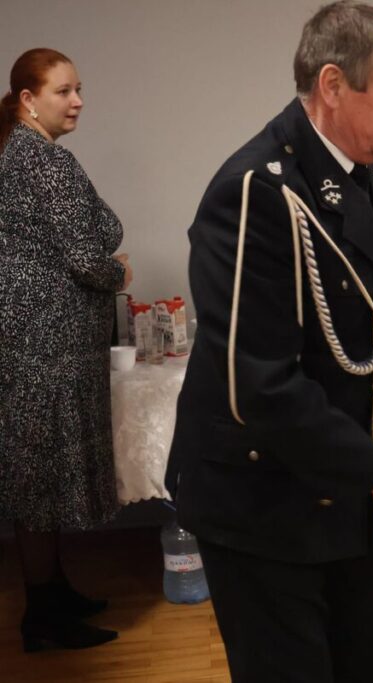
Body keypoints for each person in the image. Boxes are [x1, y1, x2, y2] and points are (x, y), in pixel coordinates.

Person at [163, 4, 373, 682]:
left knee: (362, 664)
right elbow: (259, 384)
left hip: (346, 486)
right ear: (333, 85)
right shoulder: (254, 191)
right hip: (261, 501)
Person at [0, 48, 132, 652]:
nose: (77, 101)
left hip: (31, 341)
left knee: (40, 476)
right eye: (63, 91)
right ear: (28, 100)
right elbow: (84, 257)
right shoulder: (45, 159)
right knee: (41, 482)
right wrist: (118, 273)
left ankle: (52, 593)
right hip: (48, 346)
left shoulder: (16, 152)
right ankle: (43, 616)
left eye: (79, 89)